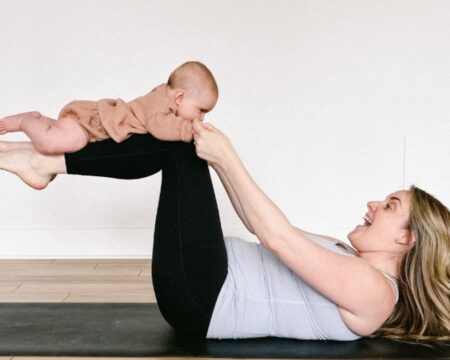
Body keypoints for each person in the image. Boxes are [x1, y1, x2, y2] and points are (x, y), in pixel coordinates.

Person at [0, 120, 448, 342]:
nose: (373, 204)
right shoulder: (344, 257)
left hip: (204, 297)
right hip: (204, 281)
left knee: (176, 147)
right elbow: (263, 224)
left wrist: (228, 156)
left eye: (389, 207)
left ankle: (40, 163)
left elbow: (278, 239)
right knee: (179, 138)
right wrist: (217, 159)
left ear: (406, 239)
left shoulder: (376, 291)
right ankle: (37, 160)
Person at [0, 61, 218, 155]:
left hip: (93, 122)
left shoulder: (165, 100)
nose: (202, 117)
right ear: (180, 96)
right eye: (201, 110)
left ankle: (42, 122)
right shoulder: (159, 104)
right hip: (92, 122)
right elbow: (161, 128)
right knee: (52, 144)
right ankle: (24, 122)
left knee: (62, 137)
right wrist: (191, 131)